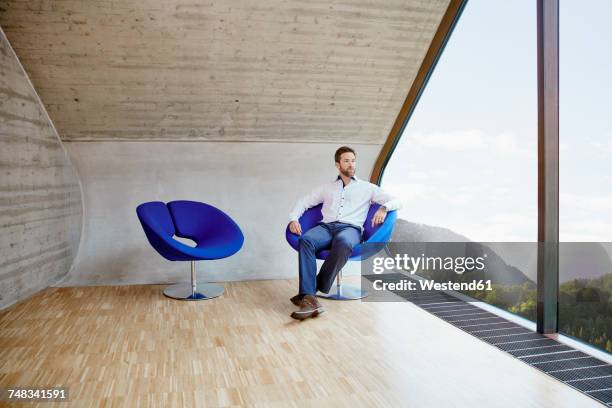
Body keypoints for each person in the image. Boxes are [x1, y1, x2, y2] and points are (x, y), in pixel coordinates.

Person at [288, 146, 402, 320]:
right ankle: (310, 298)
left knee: (344, 242)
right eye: (346, 161)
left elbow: (397, 200)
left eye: (353, 161)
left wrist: (384, 208)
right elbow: (304, 202)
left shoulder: (368, 188)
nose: (351, 164)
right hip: (326, 227)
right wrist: (293, 219)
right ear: (338, 164)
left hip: (351, 229)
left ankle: (309, 292)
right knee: (306, 240)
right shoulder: (327, 188)